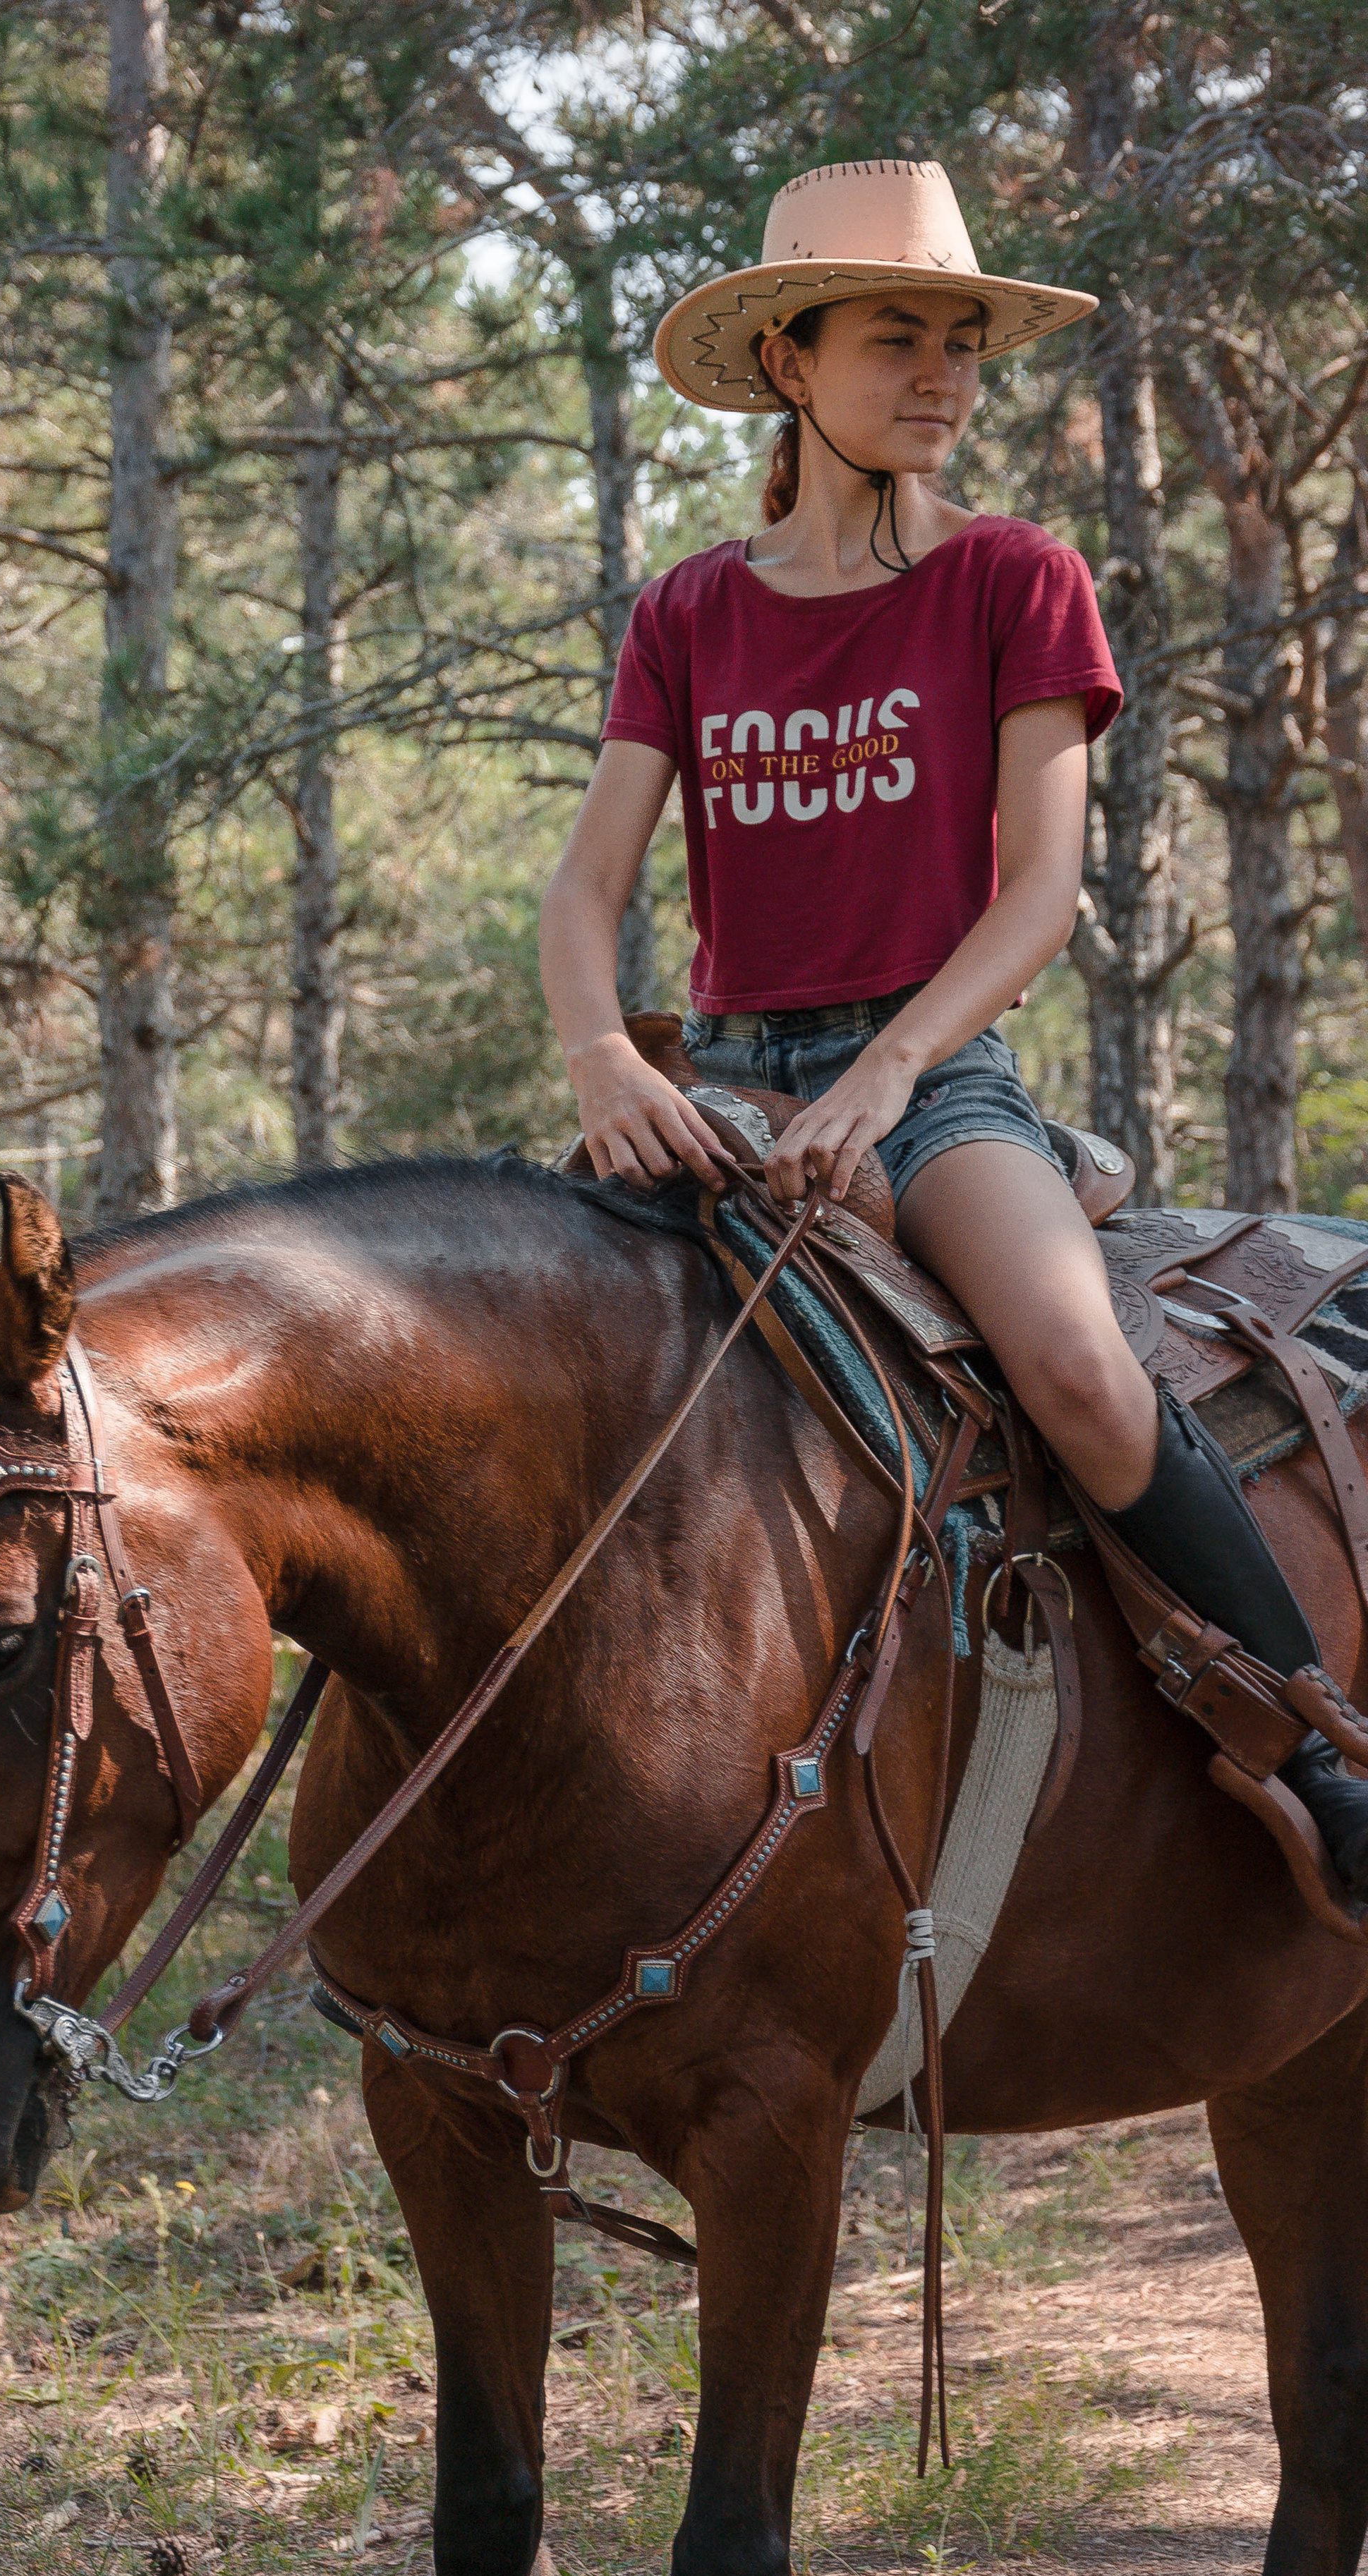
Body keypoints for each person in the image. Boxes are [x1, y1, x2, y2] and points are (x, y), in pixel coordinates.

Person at [538, 157, 1368, 1888]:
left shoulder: (1011, 578)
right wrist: (607, 1062)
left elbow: (1040, 896)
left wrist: (890, 1071)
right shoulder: (688, 611)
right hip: (721, 1076)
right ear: (789, 362)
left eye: (962, 345)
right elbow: (581, 892)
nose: (941, 377)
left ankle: (1312, 1742)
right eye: (896, 338)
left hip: (925, 1076)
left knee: (1074, 1368)